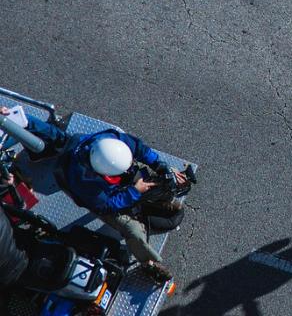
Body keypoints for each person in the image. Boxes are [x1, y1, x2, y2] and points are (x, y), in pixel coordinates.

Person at [0, 106, 186, 282]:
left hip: (120, 182)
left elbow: (139, 149)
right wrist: (133, 192)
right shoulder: (82, 179)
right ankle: (149, 263)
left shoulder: (113, 143)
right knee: (133, 231)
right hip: (107, 199)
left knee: (163, 181)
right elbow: (105, 205)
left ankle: (156, 202)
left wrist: (160, 165)